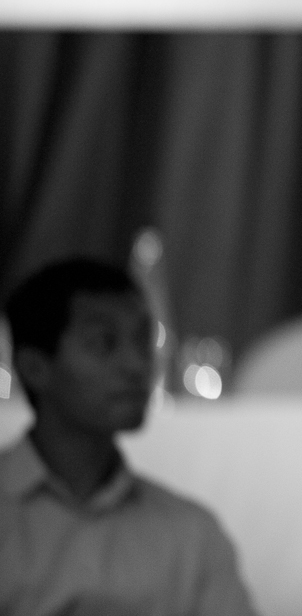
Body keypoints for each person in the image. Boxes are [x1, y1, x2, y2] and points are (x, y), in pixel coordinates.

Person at [0, 257, 259, 616]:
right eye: (104, 343)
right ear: (35, 367)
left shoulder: (189, 532)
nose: (137, 365)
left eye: (143, 341)